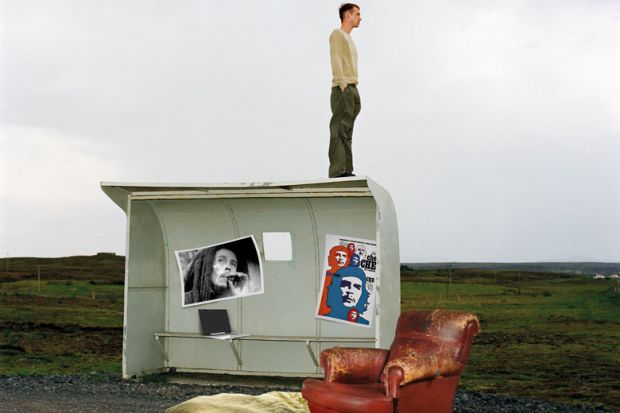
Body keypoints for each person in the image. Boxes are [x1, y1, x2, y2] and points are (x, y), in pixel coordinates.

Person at [328, 3, 362, 178]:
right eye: (357, 14)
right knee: (339, 129)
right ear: (347, 15)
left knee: (347, 131)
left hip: (352, 88)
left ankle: (347, 170)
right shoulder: (337, 34)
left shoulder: (350, 39)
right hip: (343, 87)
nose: (360, 18)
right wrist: (342, 84)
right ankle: (337, 171)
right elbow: (336, 58)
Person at [183, 247, 250, 304]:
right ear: (208, 267)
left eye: (233, 264)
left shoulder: (236, 297)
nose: (228, 267)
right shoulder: (186, 300)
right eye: (221, 260)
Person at [318, 245, 350, 315]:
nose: (341, 258)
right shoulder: (325, 274)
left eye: (344, 256)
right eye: (338, 255)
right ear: (332, 256)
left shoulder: (349, 277)